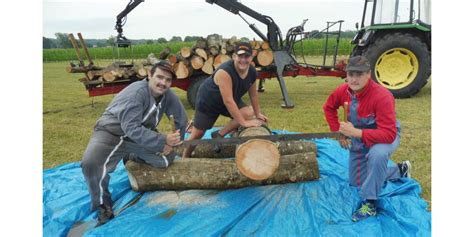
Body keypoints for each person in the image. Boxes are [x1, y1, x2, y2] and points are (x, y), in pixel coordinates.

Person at [81, 60, 188, 226]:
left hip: (139, 136)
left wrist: (173, 142)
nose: (163, 83)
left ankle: (131, 155)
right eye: (159, 77)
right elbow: (131, 128)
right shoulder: (136, 94)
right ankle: (103, 205)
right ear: (149, 75)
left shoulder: (167, 95)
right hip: (110, 132)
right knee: (91, 164)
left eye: (168, 80)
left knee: (165, 160)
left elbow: (181, 119)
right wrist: (161, 140)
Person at [322, 55, 412, 222]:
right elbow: (328, 108)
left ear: (369, 74)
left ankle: (370, 204)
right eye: (351, 74)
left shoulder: (382, 96)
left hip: (384, 134)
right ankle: (400, 171)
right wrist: (339, 133)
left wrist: (356, 133)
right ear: (346, 74)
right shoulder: (343, 91)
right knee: (357, 182)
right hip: (359, 134)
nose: (354, 79)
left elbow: (389, 134)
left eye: (359, 74)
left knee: (377, 155)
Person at [183, 42, 268, 158]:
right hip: (209, 101)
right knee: (198, 133)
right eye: (240, 56)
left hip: (230, 97)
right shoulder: (224, 72)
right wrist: (244, 123)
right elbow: (228, 101)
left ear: (251, 57)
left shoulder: (252, 72)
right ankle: (185, 157)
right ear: (234, 57)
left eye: (246, 56)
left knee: (248, 113)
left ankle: (219, 134)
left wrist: (258, 114)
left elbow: (253, 95)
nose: (243, 60)